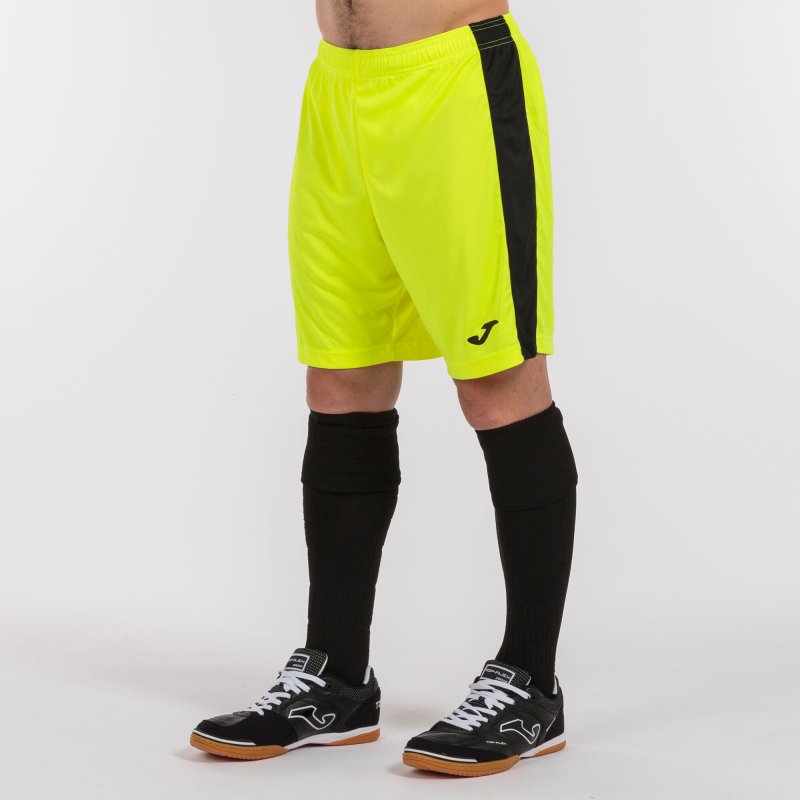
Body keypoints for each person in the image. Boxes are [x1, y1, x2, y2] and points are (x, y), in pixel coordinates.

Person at [189, 0, 578, 778]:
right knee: (342, 373)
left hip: (454, 83)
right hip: (339, 87)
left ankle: (530, 683)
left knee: (497, 380)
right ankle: (336, 677)